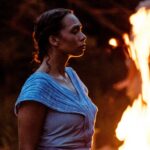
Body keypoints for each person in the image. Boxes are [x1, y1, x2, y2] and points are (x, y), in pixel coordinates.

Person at [15, 8, 98, 150]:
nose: (83, 36)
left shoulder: (72, 77)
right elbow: (26, 147)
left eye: (81, 30)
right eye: (74, 31)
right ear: (54, 39)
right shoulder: (37, 87)